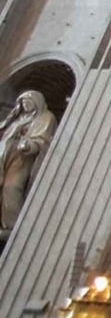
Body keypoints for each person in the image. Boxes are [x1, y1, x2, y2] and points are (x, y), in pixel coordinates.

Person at [1, 91, 56, 248]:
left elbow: (43, 140)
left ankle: (13, 225)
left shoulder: (46, 117)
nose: (25, 105)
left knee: (12, 188)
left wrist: (28, 145)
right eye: (23, 102)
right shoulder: (19, 118)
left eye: (28, 102)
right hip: (5, 156)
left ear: (36, 102)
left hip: (23, 160)